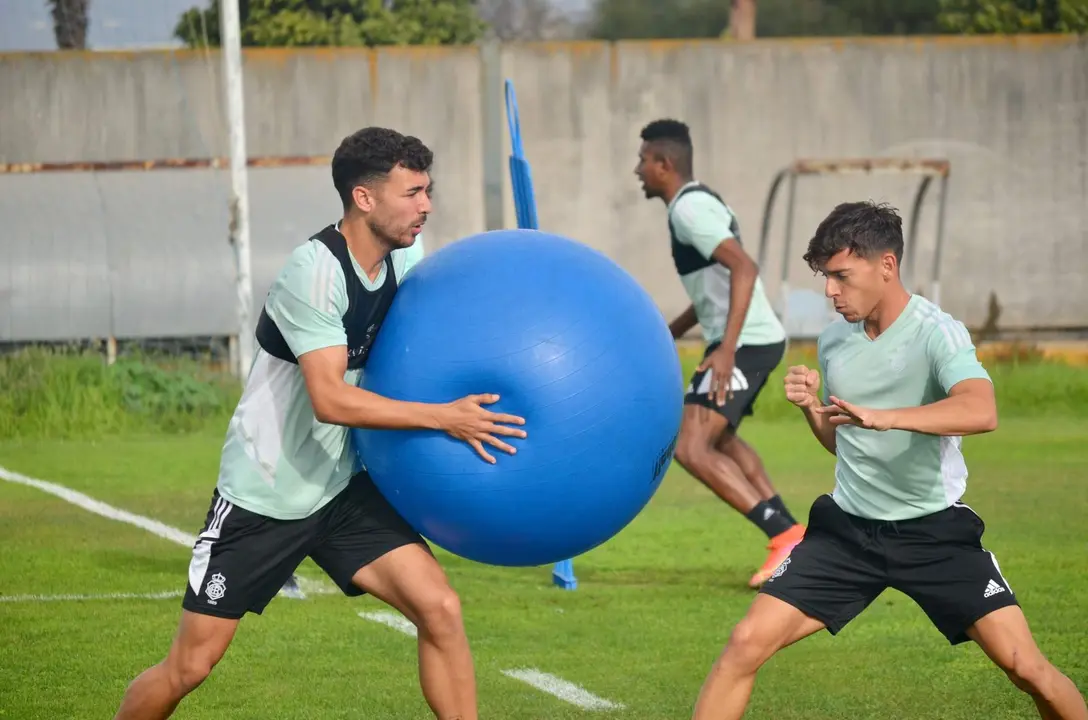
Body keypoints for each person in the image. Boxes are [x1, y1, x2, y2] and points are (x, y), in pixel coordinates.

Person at [113, 127, 527, 720]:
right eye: (412, 193)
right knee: (190, 667)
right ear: (364, 198)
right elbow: (330, 399)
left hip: (343, 489)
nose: (426, 206)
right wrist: (445, 419)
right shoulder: (315, 273)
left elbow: (441, 337)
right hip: (267, 494)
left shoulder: (405, 258)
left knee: (440, 608)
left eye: (427, 191)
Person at [690, 200, 1088, 720]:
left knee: (1025, 667)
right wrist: (815, 410)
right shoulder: (835, 343)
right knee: (744, 644)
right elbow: (844, 442)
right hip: (846, 534)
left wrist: (890, 416)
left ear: (886, 266)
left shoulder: (936, 331)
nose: (830, 292)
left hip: (933, 534)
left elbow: (980, 408)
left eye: (841, 276)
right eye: (825, 278)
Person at [635, 118, 805, 588]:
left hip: (744, 342)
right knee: (720, 441)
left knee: (690, 445)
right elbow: (716, 287)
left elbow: (744, 268)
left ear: (664, 164)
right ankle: (794, 540)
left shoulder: (689, 212)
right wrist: (667, 332)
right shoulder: (702, 201)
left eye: (643, 160)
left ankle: (784, 535)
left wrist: (727, 350)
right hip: (746, 339)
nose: (638, 170)